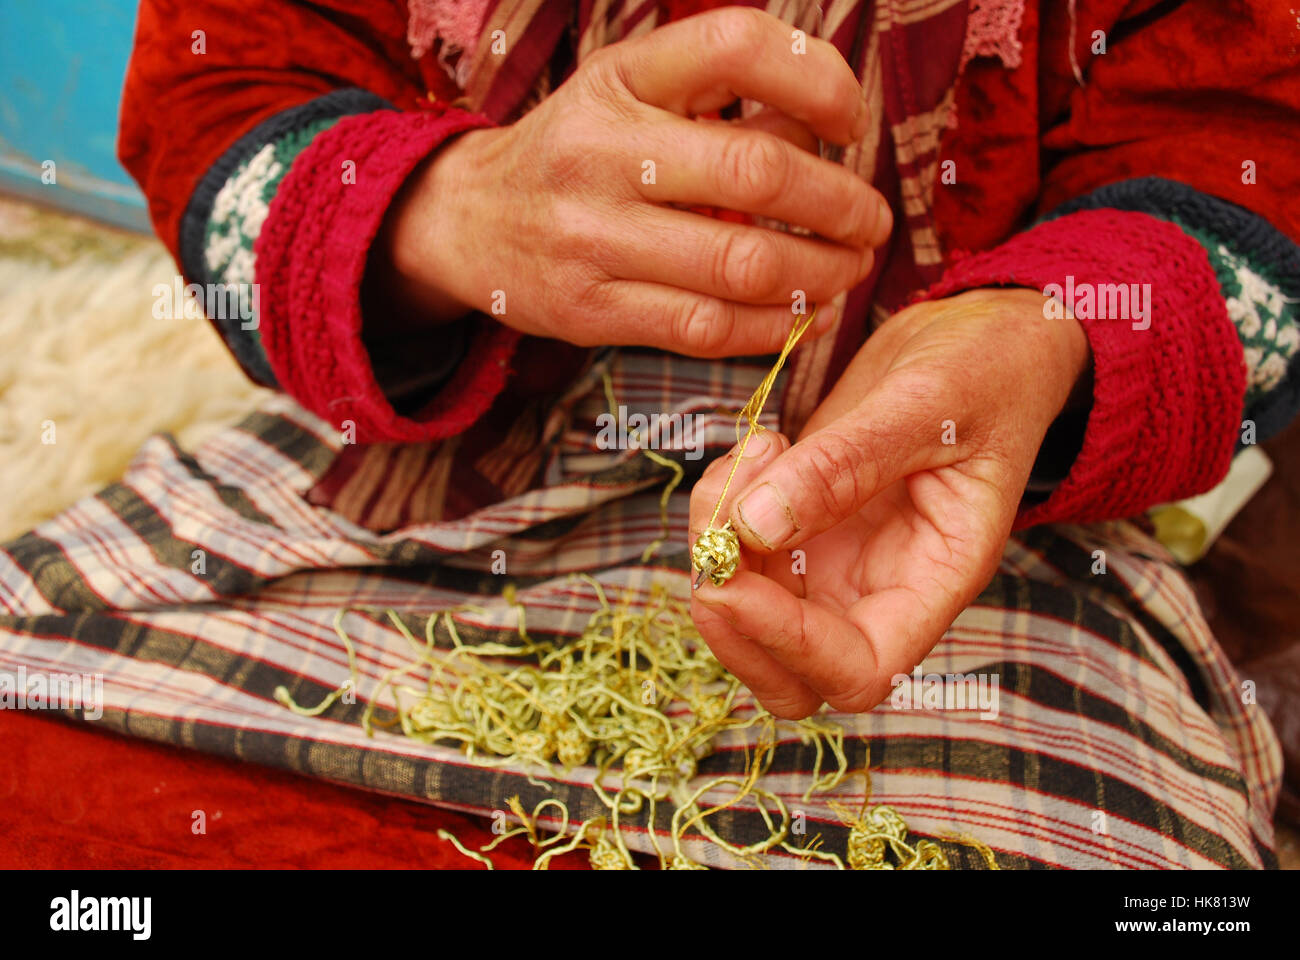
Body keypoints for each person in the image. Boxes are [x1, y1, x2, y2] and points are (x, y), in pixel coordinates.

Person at [23, 0, 1295, 866]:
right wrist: (446, 207)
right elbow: (221, 93)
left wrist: (1039, 333)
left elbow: (1250, 156)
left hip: (946, 545)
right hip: (415, 489)